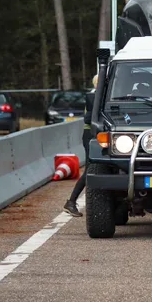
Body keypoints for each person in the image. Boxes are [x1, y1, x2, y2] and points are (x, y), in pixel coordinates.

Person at [63, 74, 98, 217]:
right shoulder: (94, 96)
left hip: (94, 134)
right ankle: (71, 201)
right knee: (90, 169)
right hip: (90, 135)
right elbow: (88, 118)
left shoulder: (98, 95)